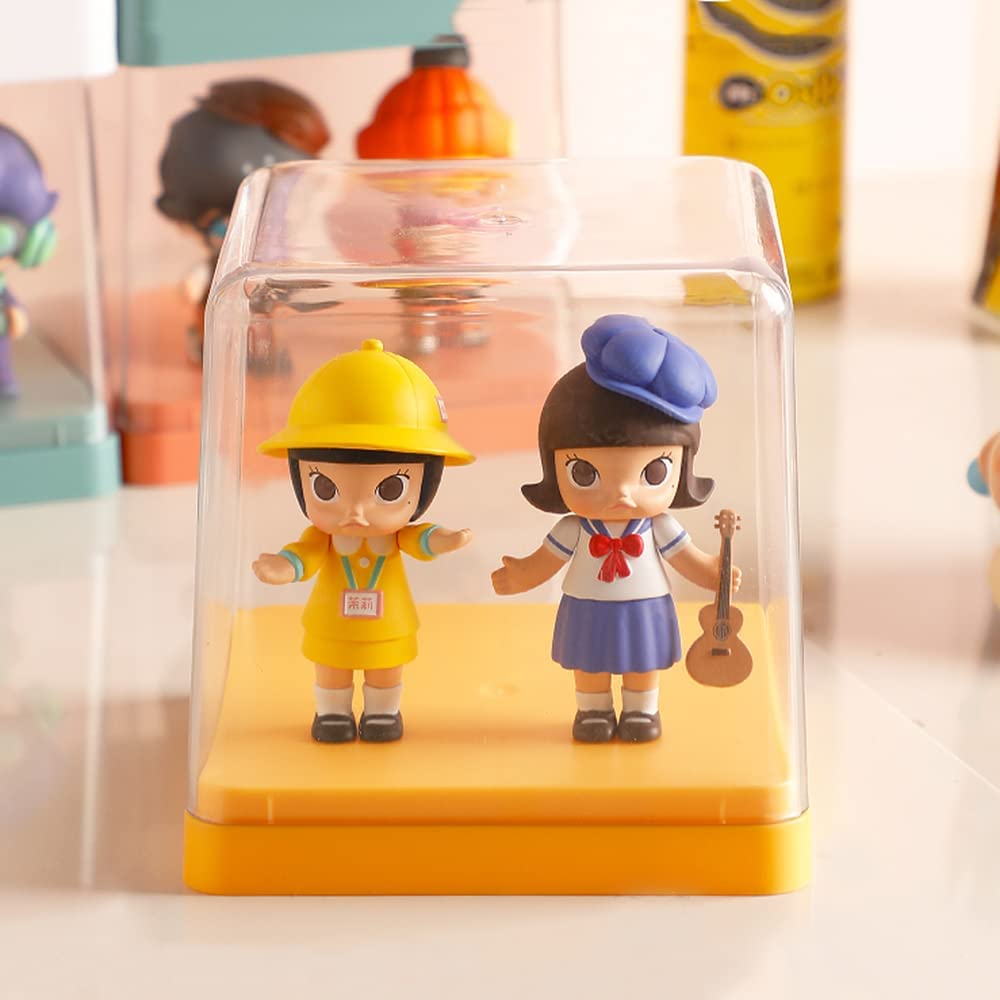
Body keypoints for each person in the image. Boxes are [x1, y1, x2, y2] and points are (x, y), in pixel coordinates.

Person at [492, 314, 740, 743]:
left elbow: (688, 560)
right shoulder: (574, 528)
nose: (622, 493)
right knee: (588, 662)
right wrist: (520, 576)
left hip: (645, 605)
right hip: (587, 605)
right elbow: (544, 561)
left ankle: (642, 711)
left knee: (643, 662)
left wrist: (714, 573)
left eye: (654, 472)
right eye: (585, 473)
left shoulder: (659, 525)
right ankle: (593, 711)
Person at [253, 338, 474, 743]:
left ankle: (383, 714)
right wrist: (284, 566)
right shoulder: (323, 537)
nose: (355, 511)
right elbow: (305, 554)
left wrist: (445, 539)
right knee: (331, 669)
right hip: (332, 623)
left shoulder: (398, 535)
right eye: (325, 488)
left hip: (387, 622)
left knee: (386, 669)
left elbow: (422, 539)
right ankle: (332, 714)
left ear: (426, 486)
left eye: (389, 490)